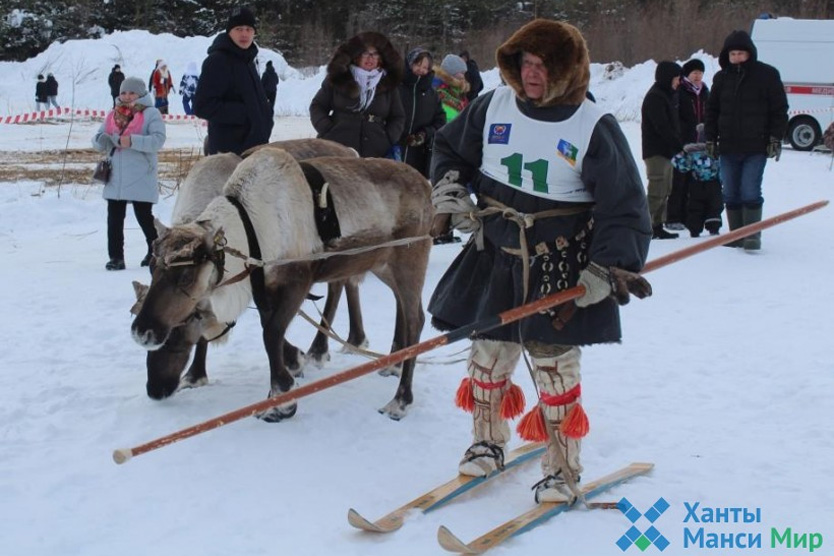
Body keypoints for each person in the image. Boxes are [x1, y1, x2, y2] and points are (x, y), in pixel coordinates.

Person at [428, 19, 652, 504]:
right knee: (486, 360)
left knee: (553, 372)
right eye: (526, 63)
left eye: (544, 66)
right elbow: (449, 148)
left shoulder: (593, 126)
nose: (532, 74)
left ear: (568, 71)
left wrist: (605, 270)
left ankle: (562, 469)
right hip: (494, 257)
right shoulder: (492, 106)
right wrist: (449, 189)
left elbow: (627, 208)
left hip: (558, 268)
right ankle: (487, 443)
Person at [705, 29, 788, 251]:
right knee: (730, 192)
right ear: (727, 56)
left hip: (756, 146)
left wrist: (775, 138)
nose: (737, 58)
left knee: (750, 190)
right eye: (733, 54)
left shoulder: (767, 75)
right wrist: (710, 139)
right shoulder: (721, 78)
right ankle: (736, 235)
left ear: (750, 53)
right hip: (728, 146)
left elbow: (779, 110)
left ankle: (751, 236)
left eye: (741, 53)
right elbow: (712, 111)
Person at [92, 76, 166, 271]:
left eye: (132, 92)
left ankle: (155, 251)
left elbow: (158, 141)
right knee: (114, 218)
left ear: (141, 93)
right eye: (123, 92)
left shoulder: (151, 114)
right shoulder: (113, 114)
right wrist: (102, 140)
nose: (126, 96)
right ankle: (116, 257)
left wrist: (132, 141)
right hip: (116, 174)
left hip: (140, 173)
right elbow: (96, 139)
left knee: (144, 216)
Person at [309, 31, 405, 158]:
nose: (370, 58)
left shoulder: (388, 84)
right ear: (356, 56)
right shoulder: (339, 78)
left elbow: (398, 117)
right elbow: (317, 106)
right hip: (336, 149)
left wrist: (387, 138)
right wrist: (328, 130)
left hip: (375, 152)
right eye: (365, 53)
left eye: (375, 54)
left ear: (380, 59)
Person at [193, 6, 274, 156]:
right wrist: (244, 114)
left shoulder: (248, 60)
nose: (244, 34)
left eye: (248, 29)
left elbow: (247, 97)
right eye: (239, 29)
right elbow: (202, 106)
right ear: (229, 31)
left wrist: (266, 106)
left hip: (254, 151)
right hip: (229, 155)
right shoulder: (217, 61)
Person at [641, 60, 684, 239]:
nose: (678, 82)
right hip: (656, 151)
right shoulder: (655, 97)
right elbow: (662, 126)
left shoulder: (668, 95)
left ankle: (657, 224)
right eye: (676, 78)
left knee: (665, 188)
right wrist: (677, 144)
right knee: (657, 189)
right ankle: (644, 225)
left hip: (667, 151)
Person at [666, 58, 710, 231]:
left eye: (700, 73)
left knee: (696, 181)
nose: (698, 76)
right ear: (687, 74)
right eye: (694, 73)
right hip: (683, 141)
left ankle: (689, 215)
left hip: (701, 143)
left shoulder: (705, 91)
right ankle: (673, 216)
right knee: (679, 180)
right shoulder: (681, 91)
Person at [398, 47, 446, 178]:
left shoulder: (432, 94)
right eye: (418, 64)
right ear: (410, 64)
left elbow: (440, 121)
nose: (421, 70)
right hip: (394, 150)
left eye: (425, 67)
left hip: (419, 155)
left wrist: (424, 134)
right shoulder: (396, 88)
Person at [671, 124, 723, 237]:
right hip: (714, 184)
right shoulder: (716, 152)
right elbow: (723, 168)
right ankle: (713, 227)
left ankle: (694, 228)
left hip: (696, 184)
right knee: (714, 206)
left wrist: (683, 153)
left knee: (695, 206)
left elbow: (681, 165)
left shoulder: (692, 153)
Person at [433, 54, 470, 122]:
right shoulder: (441, 93)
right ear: (451, 73)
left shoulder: (458, 92)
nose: (463, 77)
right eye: (461, 73)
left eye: (464, 73)